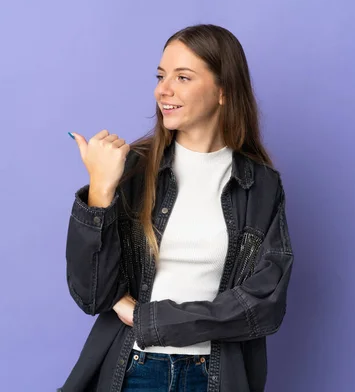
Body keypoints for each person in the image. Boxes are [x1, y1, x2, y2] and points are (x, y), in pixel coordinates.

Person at [58, 24, 294, 392]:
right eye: (160, 76)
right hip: (134, 371)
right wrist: (101, 191)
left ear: (223, 91)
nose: (162, 90)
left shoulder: (261, 185)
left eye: (182, 77)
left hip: (215, 377)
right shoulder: (132, 170)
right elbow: (92, 296)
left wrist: (148, 318)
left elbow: (264, 304)